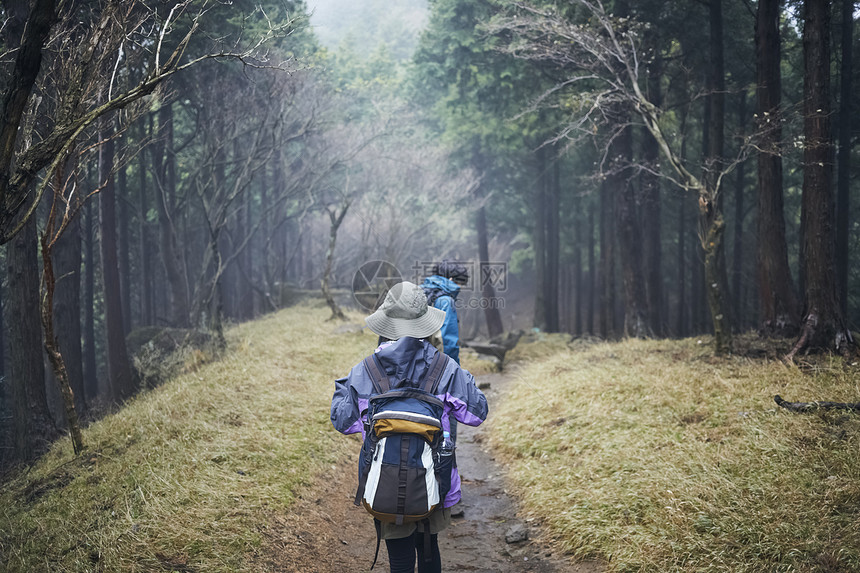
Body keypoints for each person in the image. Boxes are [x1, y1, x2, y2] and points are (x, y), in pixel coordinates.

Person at [331, 281, 488, 573]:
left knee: (400, 559)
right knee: (429, 551)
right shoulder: (446, 367)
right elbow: (478, 413)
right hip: (436, 481)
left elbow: (343, 421)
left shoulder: (366, 370)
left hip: (387, 481)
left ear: (387, 324)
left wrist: (344, 388)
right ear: (425, 323)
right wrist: (461, 375)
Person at [420, 261, 469, 365]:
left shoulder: (418, 292)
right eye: (461, 283)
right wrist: (455, 371)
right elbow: (447, 342)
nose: (461, 287)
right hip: (434, 365)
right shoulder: (445, 301)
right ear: (451, 279)